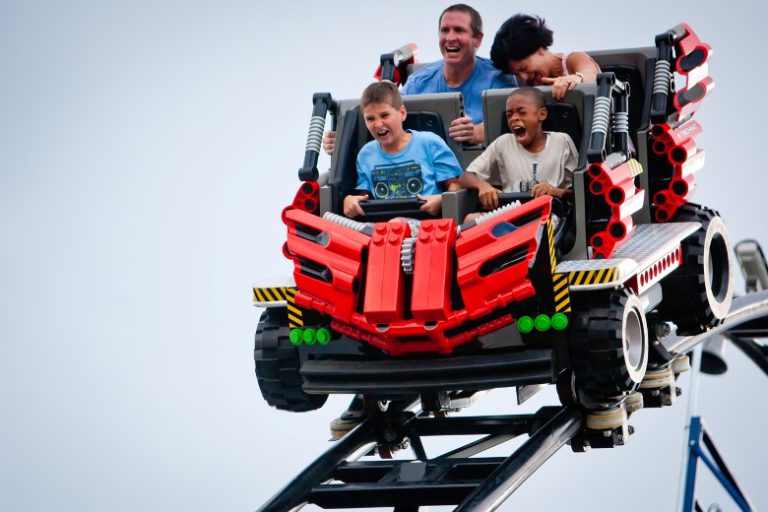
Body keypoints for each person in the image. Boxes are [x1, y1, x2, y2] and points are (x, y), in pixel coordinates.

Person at [323, 4, 517, 154]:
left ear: (477, 39)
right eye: (444, 30)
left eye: (459, 30)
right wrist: (344, 140)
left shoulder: (498, 78)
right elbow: (387, 118)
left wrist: (476, 133)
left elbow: (516, 123)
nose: (450, 37)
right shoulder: (418, 82)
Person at [343, 81, 462, 219]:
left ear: (402, 113)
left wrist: (441, 200)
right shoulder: (366, 154)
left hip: (426, 223)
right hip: (383, 226)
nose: (378, 124)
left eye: (384, 115)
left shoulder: (430, 143)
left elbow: (455, 185)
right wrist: (350, 200)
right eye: (370, 118)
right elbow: (364, 197)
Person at [458, 87, 577, 217]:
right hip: (511, 215)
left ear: (542, 114)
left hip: (549, 215)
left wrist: (554, 191)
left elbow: (576, 194)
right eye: (509, 115)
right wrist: (482, 185)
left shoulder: (561, 141)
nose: (513, 118)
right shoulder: (503, 142)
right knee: (470, 219)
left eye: (522, 113)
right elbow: (465, 177)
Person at [490, 14, 600, 100]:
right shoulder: (529, 86)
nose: (523, 78)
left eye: (523, 68)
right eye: (516, 74)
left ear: (540, 49)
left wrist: (577, 78)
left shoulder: (573, 59)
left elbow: (591, 74)